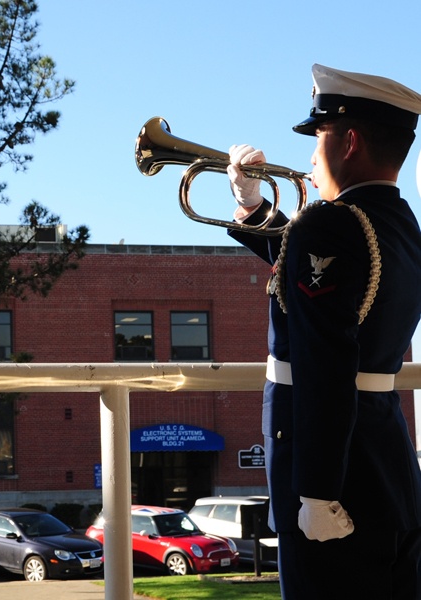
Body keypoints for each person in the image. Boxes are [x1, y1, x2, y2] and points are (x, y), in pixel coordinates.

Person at [227, 63, 421, 599]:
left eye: (319, 137)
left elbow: (325, 362)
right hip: (383, 462)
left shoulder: (331, 223)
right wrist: (250, 205)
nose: (311, 156)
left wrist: (316, 491)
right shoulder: (401, 223)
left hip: (335, 482)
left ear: (350, 141)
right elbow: (319, 267)